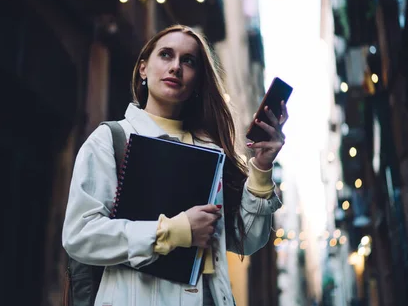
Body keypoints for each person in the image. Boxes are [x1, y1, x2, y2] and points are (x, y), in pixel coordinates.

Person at [62, 24, 287, 306]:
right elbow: (80, 236)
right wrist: (174, 231)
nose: (176, 67)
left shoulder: (211, 151)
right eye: (166, 55)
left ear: (197, 80)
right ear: (143, 68)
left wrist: (262, 170)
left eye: (188, 61)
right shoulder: (111, 139)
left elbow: (247, 240)